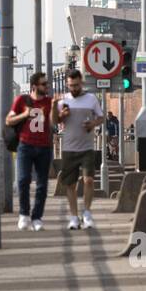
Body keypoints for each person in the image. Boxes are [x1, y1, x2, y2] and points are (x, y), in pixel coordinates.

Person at [55, 69, 106, 230]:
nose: (74, 88)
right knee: (70, 184)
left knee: (88, 180)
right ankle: (73, 217)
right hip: (69, 148)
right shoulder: (63, 101)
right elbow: (55, 121)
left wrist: (93, 124)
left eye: (76, 85)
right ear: (67, 85)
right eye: (71, 86)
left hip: (87, 147)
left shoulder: (91, 99)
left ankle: (87, 213)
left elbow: (101, 117)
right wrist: (61, 115)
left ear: (81, 83)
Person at [6, 72, 54, 231]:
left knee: (42, 184)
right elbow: (8, 120)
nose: (46, 86)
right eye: (43, 84)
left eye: (47, 84)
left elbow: (53, 122)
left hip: (44, 146)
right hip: (25, 146)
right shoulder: (22, 100)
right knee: (23, 180)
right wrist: (25, 114)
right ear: (34, 86)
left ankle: (37, 217)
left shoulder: (49, 101)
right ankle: (24, 214)